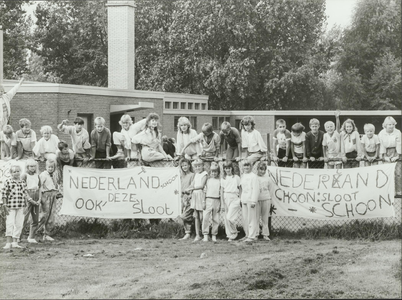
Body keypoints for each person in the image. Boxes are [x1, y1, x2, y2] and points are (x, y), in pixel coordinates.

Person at [1, 164, 34, 249]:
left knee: (19, 224)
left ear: (20, 172)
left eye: (18, 171)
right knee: (10, 223)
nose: (16, 173)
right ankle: (8, 242)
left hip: (20, 207)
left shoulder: (22, 182)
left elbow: (25, 194)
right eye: (14, 172)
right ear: (11, 173)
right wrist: (5, 205)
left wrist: (29, 201)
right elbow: (4, 194)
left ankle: (15, 241)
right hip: (10, 207)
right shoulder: (8, 182)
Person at [186, 158, 208, 242]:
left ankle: (204, 233)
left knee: (202, 216)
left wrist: (192, 188)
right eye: (196, 166)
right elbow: (193, 183)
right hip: (195, 195)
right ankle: (197, 235)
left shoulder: (205, 174)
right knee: (196, 216)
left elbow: (202, 185)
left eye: (199, 166)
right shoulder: (196, 174)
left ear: (202, 166)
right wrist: (188, 189)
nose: (198, 168)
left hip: (201, 194)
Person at [37, 159, 59, 241]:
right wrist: (41, 196)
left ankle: (47, 233)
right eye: (49, 167)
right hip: (45, 195)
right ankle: (38, 232)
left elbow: (55, 185)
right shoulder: (43, 175)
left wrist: (57, 192)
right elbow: (39, 185)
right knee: (44, 215)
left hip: (53, 195)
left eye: (52, 167)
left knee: (51, 215)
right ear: (46, 167)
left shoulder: (55, 175)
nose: (50, 168)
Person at [239, 160, 260, 243]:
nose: (246, 167)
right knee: (245, 218)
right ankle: (247, 234)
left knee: (251, 218)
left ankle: (252, 236)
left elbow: (256, 189)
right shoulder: (243, 175)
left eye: (248, 166)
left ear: (251, 167)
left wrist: (254, 201)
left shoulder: (254, 176)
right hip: (244, 199)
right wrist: (241, 199)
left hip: (251, 199)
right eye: (245, 166)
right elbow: (241, 188)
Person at [220, 161, 241, 242]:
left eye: (229, 168)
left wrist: (241, 199)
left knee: (230, 217)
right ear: (224, 169)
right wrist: (222, 203)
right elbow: (221, 191)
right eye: (226, 168)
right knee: (226, 218)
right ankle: (230, 235)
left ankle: (234, 232)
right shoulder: (223, 179)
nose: (227, 170)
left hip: (235, 197)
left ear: (232, 168)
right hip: (226, 197)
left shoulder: (236, 177)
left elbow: (240, 188)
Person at [21, 159, 41, 243]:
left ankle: (31, 237)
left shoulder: (37, 175)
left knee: (35, 218)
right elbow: (23, 189)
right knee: (24, 218)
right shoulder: (24, 176)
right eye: (31, 166)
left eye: (34, 166)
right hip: (28, 196)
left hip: (36, 195)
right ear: (27, 167)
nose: (33, 168)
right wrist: (29, 199)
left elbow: (39, 187)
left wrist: (39, 199)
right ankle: (18, 236)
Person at [202, 162, 221, 242]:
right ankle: (205, 234)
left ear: (218, 172)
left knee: (215, 218)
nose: (214, 173)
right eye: (212, 172)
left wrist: (220, 203)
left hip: (216, 200)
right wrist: (203, 201)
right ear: (210, 172)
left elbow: (220, 193)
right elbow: (204, 191)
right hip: (208, 199)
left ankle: (214, 234)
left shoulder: (220, 181)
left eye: (215, 172)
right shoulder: (208, 181)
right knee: (205, 217)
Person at [178, 158, 195, 240]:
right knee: (184, 214)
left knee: (185, 215)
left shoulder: (192, 175)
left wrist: (189, 195)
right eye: (182, 166)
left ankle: (191, 231)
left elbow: (192, 186)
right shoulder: (182, 176)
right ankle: (187, 232)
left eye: (185, 165)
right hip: (183, 197)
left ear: (189, 165)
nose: (184, 167)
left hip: (189, 197)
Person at [256, 162, 271, 241]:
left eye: (264, 170)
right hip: (257, 200)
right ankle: (256, 234)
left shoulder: (267, 178)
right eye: (260, 169)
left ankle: (265, 234)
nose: (262, 171)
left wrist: (269, 198)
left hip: (266, 198)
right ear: (257, 169)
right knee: (256, 218)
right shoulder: (255, 177)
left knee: (265, 218)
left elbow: (270, 188)